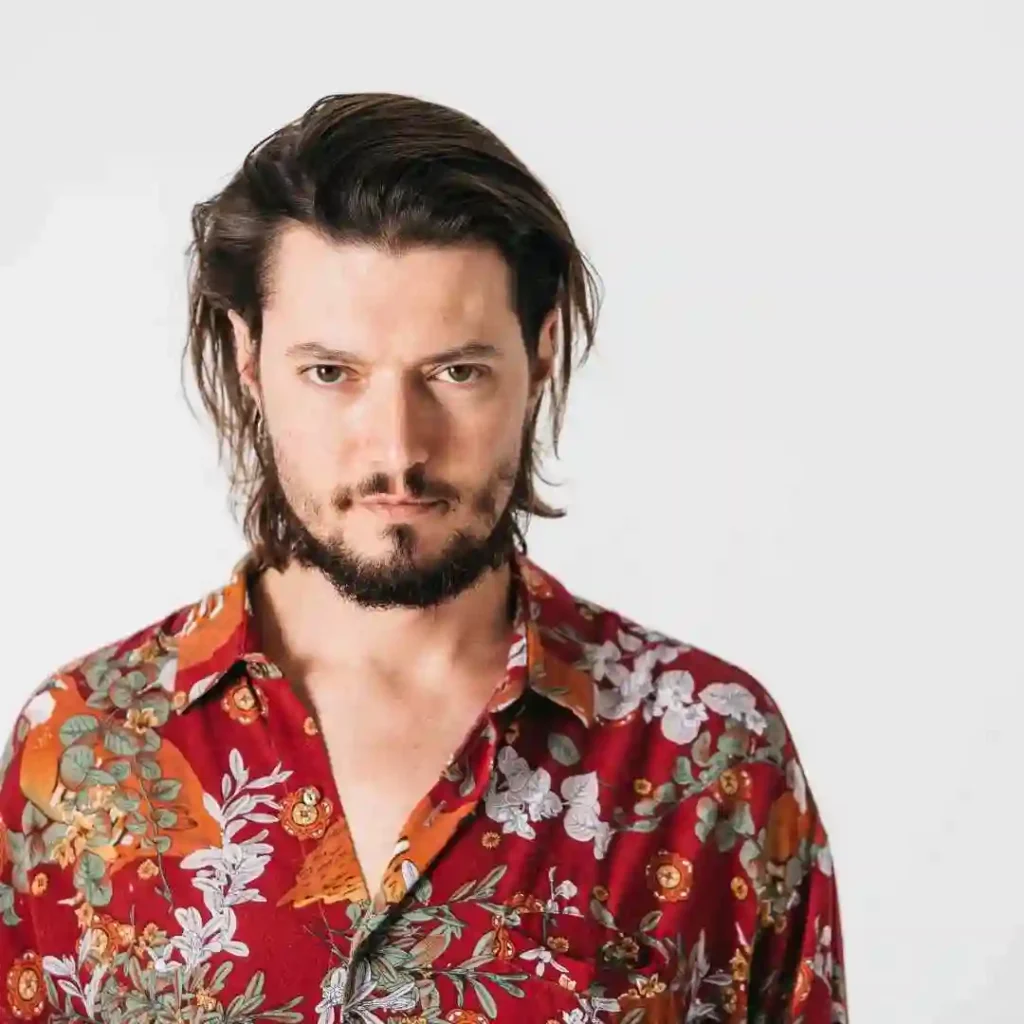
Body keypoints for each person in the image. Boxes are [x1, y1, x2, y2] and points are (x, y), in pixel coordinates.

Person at [0, 92, 847, 1022]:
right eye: (333, 373)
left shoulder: (711, 753)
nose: (397, 447)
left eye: (457, 372)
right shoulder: (84, 749)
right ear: (250, 359)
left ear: (543, 352)